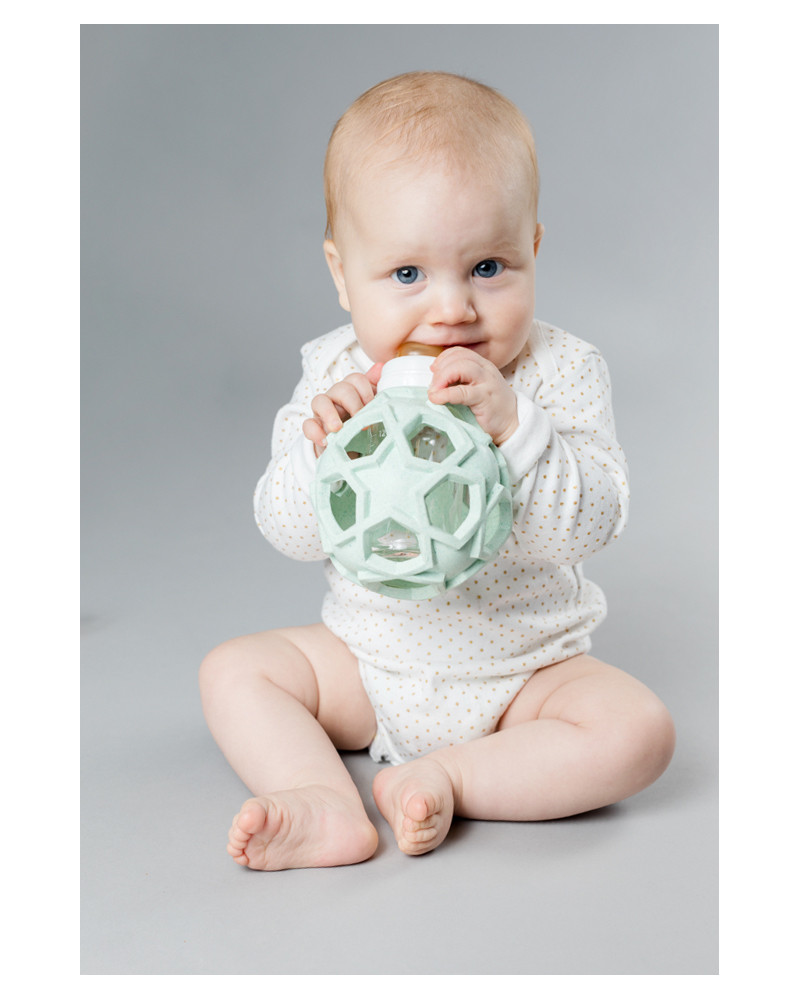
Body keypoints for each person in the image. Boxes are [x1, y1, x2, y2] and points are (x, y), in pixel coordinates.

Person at [199, 71, 675, 871]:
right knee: (235, 671)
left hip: (524, 676)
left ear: (532, 248)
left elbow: (596, 520)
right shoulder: (334, 374)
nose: (452, 309)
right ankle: (319, 799)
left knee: (638, 734)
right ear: (342, 275)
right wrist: (324, 450)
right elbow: (287, 533)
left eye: (487, 267)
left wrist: (519, 431)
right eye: (407, 275)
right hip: (368, 664)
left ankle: (448, 776)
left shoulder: (558, 374)